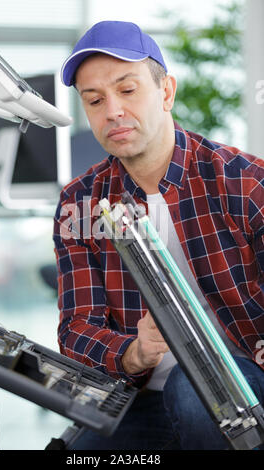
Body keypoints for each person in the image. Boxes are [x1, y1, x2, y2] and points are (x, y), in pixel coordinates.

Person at [53, 20, 264, 450]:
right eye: (94, 101)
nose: (112, 110)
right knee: (78, 451)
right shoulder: (80, 202)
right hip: (140, 396)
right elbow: (77, 328)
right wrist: (135, 352)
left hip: (246, 388)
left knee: (192, 391)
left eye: (127, 91)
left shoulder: (245, 182)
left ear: (166, 92)